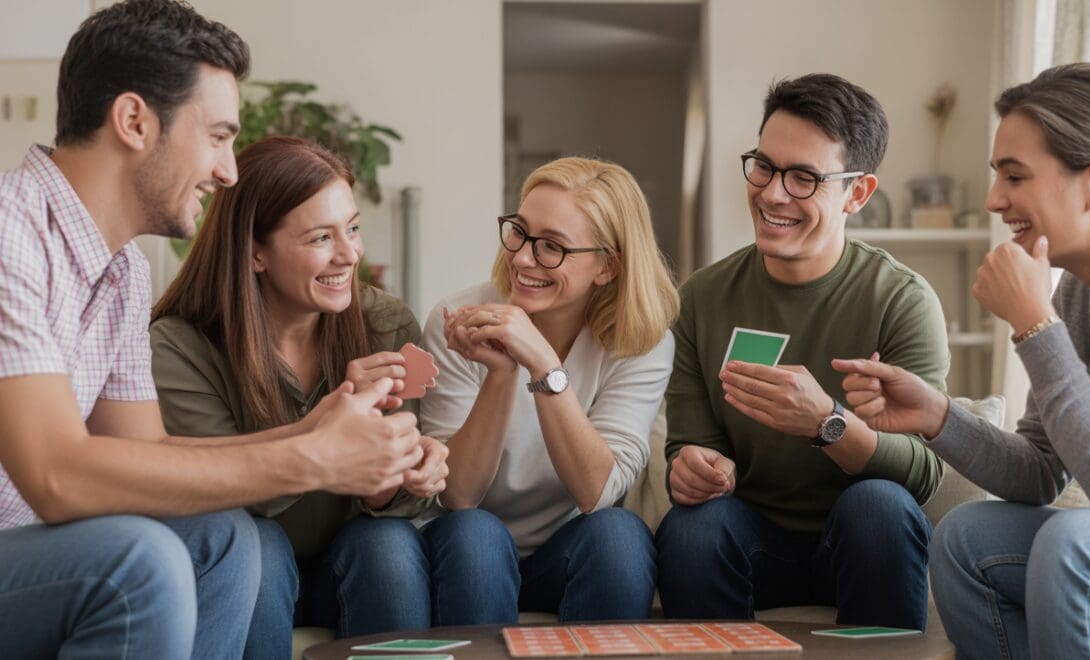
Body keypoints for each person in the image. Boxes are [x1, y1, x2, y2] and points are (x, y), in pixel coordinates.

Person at [0, 2, 421, 657]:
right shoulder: (11, 236)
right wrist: (311, 459)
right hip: (23, 546)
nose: (228, 171)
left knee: (224, 535)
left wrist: (311, 430)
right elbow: (57, 476)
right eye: (219, 136)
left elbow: (146, 454)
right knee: (140, 560)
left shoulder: (122, 273)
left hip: (33, 554)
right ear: (135, 121)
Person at [833, 62, 1090, 659]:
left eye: (1014, 176)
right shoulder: (1078, 291)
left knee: (1078, 548)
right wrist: (938, 415)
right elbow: (1041, 471)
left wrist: (1034, 325)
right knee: (967, 537)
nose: (994, 200)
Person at [654, 73, 949, 630]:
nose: (772, 193)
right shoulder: (700, 299)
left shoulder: (901, 301)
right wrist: (692, 469)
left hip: (860, 541)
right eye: (764, 166)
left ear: (857, 194)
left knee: (879, 507)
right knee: (692, 527)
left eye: (804, 178)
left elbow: (922, 476)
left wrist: (826, 423)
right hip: (752, 540)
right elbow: (689, 445)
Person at [150, 136, 449, 659]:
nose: (350, 254)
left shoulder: (384, 323)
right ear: (255, 253)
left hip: (352, 563)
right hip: (246, 568)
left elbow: (397, 501)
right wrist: (335, 423)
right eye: (321, 238)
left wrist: (399, 467)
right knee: (258, 543)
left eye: (352, 228)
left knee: (386, 545)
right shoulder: (180, 346)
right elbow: (224, 491)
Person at [417, 156, 678, 624]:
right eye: (519, 232)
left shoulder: (641, 342)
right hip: (464, 548)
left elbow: (597, 492)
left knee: (619, 534)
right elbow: (457, 496)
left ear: (607, 266)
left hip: (565, 551)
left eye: (551, 247)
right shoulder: (457, 319)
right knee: (476, 534)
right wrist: (500, 375)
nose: (522, 258)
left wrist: (543, 364)